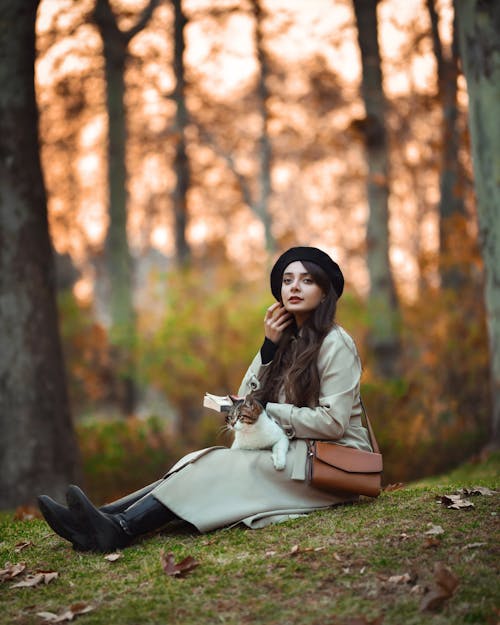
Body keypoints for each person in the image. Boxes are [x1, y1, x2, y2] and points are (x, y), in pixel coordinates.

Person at [38, 246, 373, 553]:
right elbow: (245, 400)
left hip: (331, 464)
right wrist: (268, 347)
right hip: (295, 453)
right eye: (288, 280)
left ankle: (120, 529)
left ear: (325, 290)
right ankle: (99, 518)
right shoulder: (285, 342)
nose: (295, 287)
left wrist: (270, 412)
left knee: (216, 465)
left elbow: (333, 423)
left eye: (307, 280)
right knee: (197, 459)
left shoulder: (335, 344)